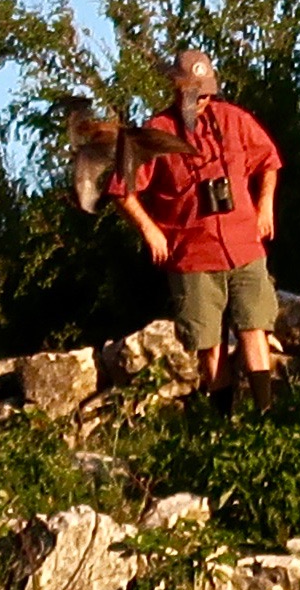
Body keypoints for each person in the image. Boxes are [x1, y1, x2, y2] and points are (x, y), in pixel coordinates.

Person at [118, 47, 288, 406]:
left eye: (207, 93)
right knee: (208, 345)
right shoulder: (156, 132)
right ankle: (221, 427)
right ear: (178, 91)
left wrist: (264, 205)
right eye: (194, 93)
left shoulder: (234, 119)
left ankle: (265, 418)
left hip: (243, 243)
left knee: (254, 327)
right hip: (192, 253)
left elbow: (269, 160)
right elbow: (121, 189)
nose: (202, 101)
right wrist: (149, 230)